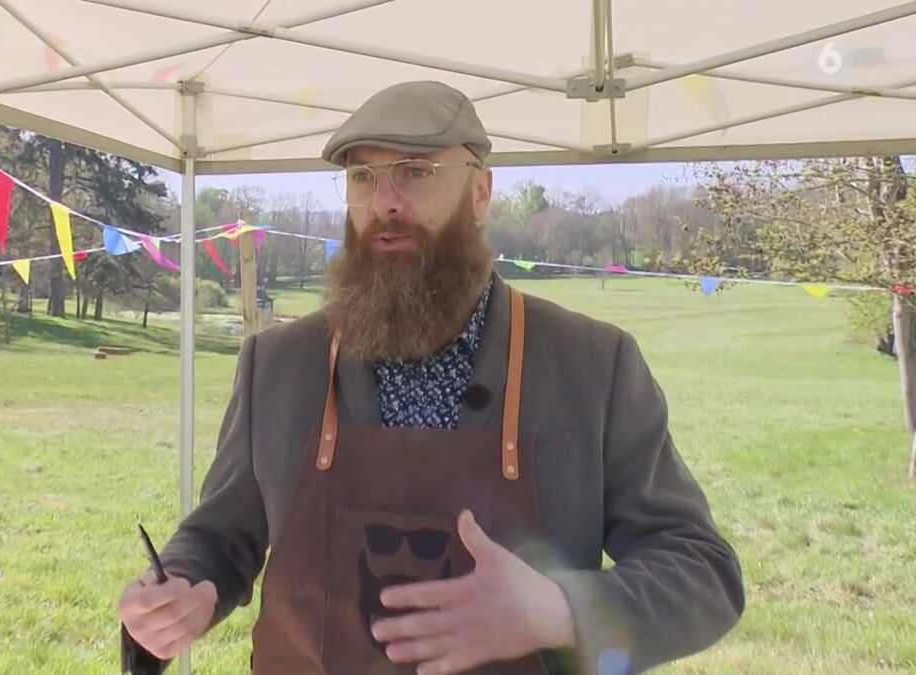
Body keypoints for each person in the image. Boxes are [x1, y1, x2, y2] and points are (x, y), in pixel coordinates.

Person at [117, 80, 744, 675]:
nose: (386, 201)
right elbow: (219, 536)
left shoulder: (590, 365)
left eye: (416, 172)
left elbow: (702, 572)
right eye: (364, 177)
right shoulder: (279, 365)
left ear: (479, 192)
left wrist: (559, 609)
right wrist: (179, 591)